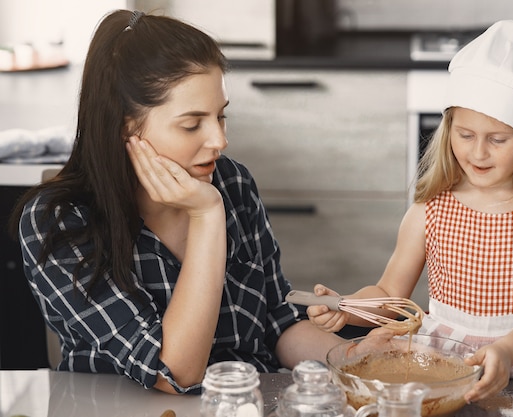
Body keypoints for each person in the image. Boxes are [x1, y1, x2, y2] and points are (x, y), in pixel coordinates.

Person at [8, 9, 345, 394]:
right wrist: (206, 216)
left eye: (221, 117)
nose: (219, 140)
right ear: (125, 125)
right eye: (191, 124)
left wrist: (358, 357)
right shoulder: (59, 221)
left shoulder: (232, 182)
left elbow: (277, 323)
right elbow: (174, 372)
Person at [307, 20, 513, 401]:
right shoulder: (431, 207)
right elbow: (391, 292)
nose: (478, 152)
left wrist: (506, 350)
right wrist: (347, 309)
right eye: (466, 135)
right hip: (438, 360)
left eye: (498, 139)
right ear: (449, 130)